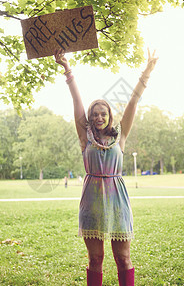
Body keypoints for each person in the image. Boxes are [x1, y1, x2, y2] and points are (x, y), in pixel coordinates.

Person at [54, 48, 158, 286]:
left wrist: (147, 73)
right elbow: (77, 101)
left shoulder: (120, 136)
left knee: (123, 258)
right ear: (90, 118)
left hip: (117, 200)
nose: (99, 117)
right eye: (95, 114)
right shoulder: (85, 136)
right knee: (96, 258)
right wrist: (67, 68)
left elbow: (133, 102)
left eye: (103, 113)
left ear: (110, 116)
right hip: (91, 200)